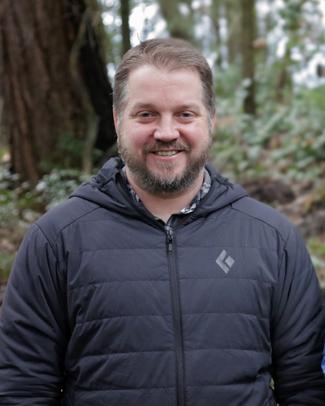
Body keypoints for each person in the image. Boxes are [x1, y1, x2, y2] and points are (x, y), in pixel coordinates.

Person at [0, 38, 324, 405]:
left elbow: (305, 387)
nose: (166, 132)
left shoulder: (274, 239)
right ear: (118, 119)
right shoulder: (55, 241)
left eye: (185, 114)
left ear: (211, 121)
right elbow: (23, 390)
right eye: (147, 114)